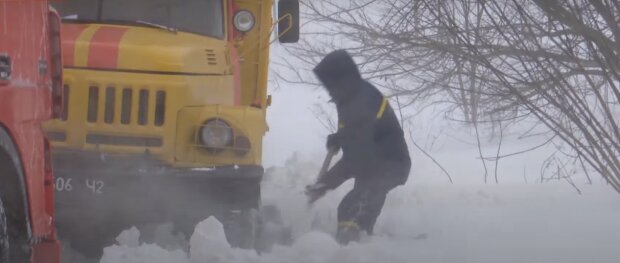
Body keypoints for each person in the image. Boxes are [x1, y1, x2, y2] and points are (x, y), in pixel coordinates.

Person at [305, 49, 411, 244]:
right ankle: (363, 247)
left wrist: (323, 186)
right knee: (359, 215)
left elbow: (357, 156)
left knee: (351, 209)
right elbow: (356, 149)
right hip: (372, 168)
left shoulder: (362, 100)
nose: (328, 88)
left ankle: (349, 250)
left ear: (341, 78)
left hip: (389, 165)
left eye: (329, 82)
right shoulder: (349, 99)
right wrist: (341, 138)